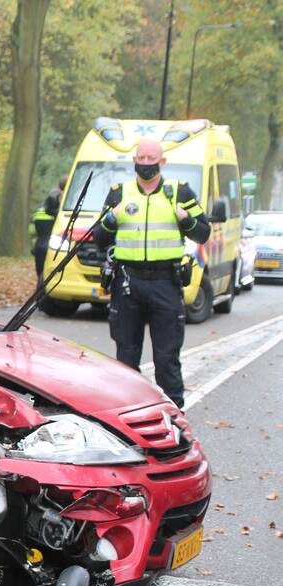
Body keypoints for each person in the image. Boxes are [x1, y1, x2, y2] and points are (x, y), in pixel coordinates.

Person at [96, 138, 210, 409]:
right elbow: (99, 237)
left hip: (165, 283)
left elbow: (203, 233)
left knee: (167, 357)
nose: (146, 163)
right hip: (128, 284)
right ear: (134, 160)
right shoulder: (118, 193)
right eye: (141, 158)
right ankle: (125, 417)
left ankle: (175, 418)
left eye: (151, 158)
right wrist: (112, 219)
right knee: (125, 357)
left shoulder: (180, 192)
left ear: (163, 162)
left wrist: (186, 220)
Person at [32, 176, 67, 281]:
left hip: (40, 244)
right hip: (50, 245)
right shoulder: (58, 202)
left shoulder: (46, 203)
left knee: (41, 274)